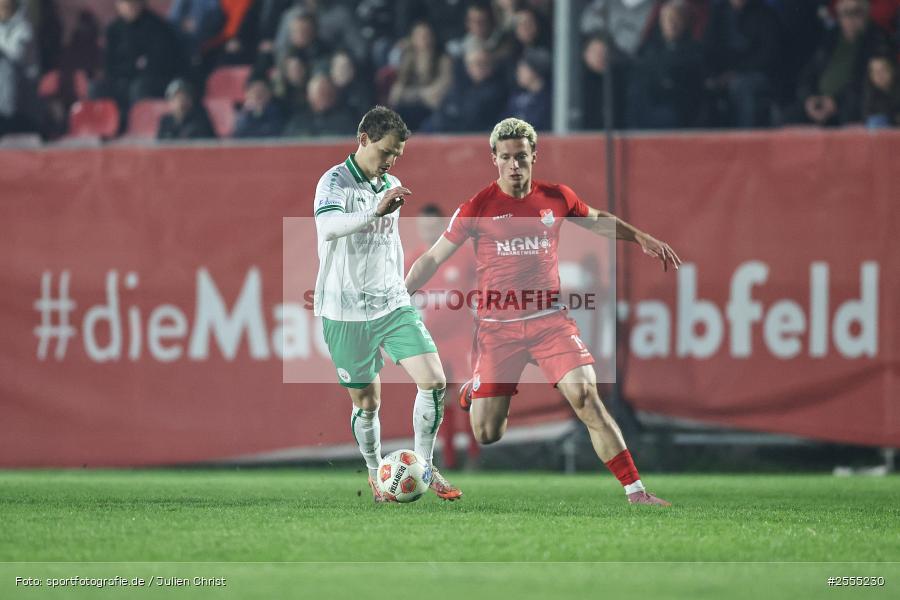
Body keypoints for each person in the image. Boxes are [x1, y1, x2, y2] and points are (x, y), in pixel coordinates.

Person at [405, 118, 681, 506]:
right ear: (494, 160)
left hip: (550, 323)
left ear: (534, 155)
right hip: (498, 331)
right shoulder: (477, 207)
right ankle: (475, 390)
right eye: (506, 158)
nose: (514, 165)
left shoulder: (557, 197)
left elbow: (598, 219)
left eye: (521, 157)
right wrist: (401, 296)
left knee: (587, 398)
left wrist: (640, 238)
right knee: (487, 433)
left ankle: (636, 491)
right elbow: (433, 258)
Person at [312, 106, 462, 503]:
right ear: (363, 138)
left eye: (397, 154)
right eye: (386, 152)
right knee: (367, 402)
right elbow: (328, 229)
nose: (392, 161)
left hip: (390, 304)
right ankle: (375, 472)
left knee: (434, 381)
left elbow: (388, 242)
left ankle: (426, 469)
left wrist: (401, 286)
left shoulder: (390, 183)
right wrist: (372, 211)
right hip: (344, 311)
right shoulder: (334, 182)